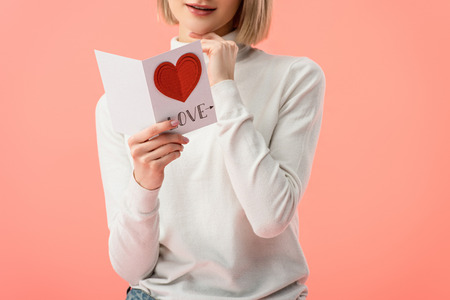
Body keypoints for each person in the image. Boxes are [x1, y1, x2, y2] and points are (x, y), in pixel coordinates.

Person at [95, 0, 326, 299]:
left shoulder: (296, 77)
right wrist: (145, 183)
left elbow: (270, 219)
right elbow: (131, 270)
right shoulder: (123, 99)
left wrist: (224, 87)